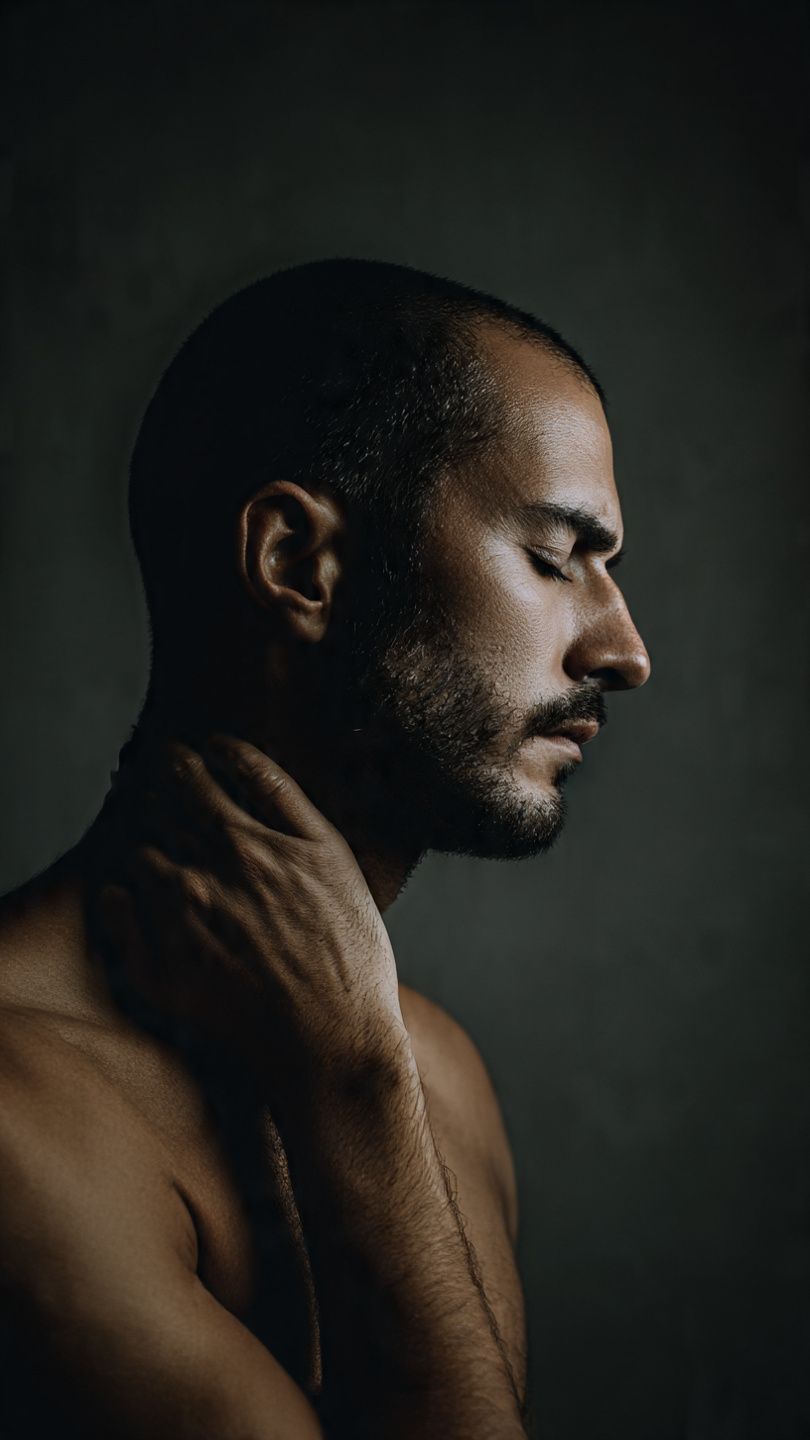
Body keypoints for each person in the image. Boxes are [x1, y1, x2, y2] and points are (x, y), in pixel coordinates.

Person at [0, 259, 651, 1439]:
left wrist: (361, 1071)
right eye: (557, 559)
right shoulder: (18, 1120)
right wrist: (351, 1088)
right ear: (299, 562)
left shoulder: (432, 1069)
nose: (623, 649)